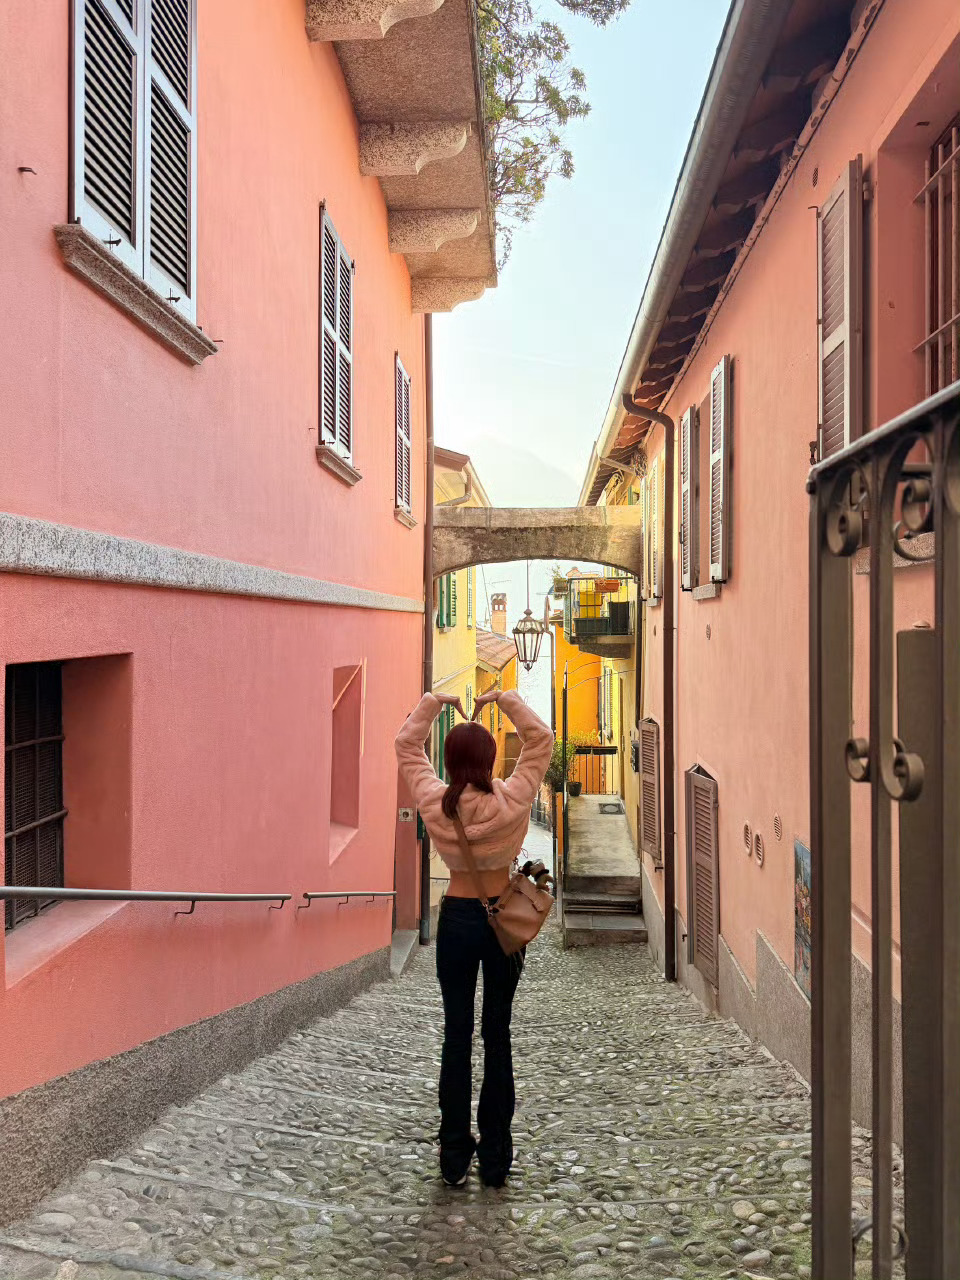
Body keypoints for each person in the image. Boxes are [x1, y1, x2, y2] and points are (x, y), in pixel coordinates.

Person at [395, 686, 554, 1188]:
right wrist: (503, 698)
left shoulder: (435, 803)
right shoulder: (512, 799)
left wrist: (433, 702)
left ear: (449, 760)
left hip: (458, 920)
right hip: (502, 919)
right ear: (488, 759)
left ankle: (454, 1154)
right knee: (497, 1034)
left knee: (457, 1034)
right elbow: (541, 739)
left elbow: (406, 745)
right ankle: (496, 1156)